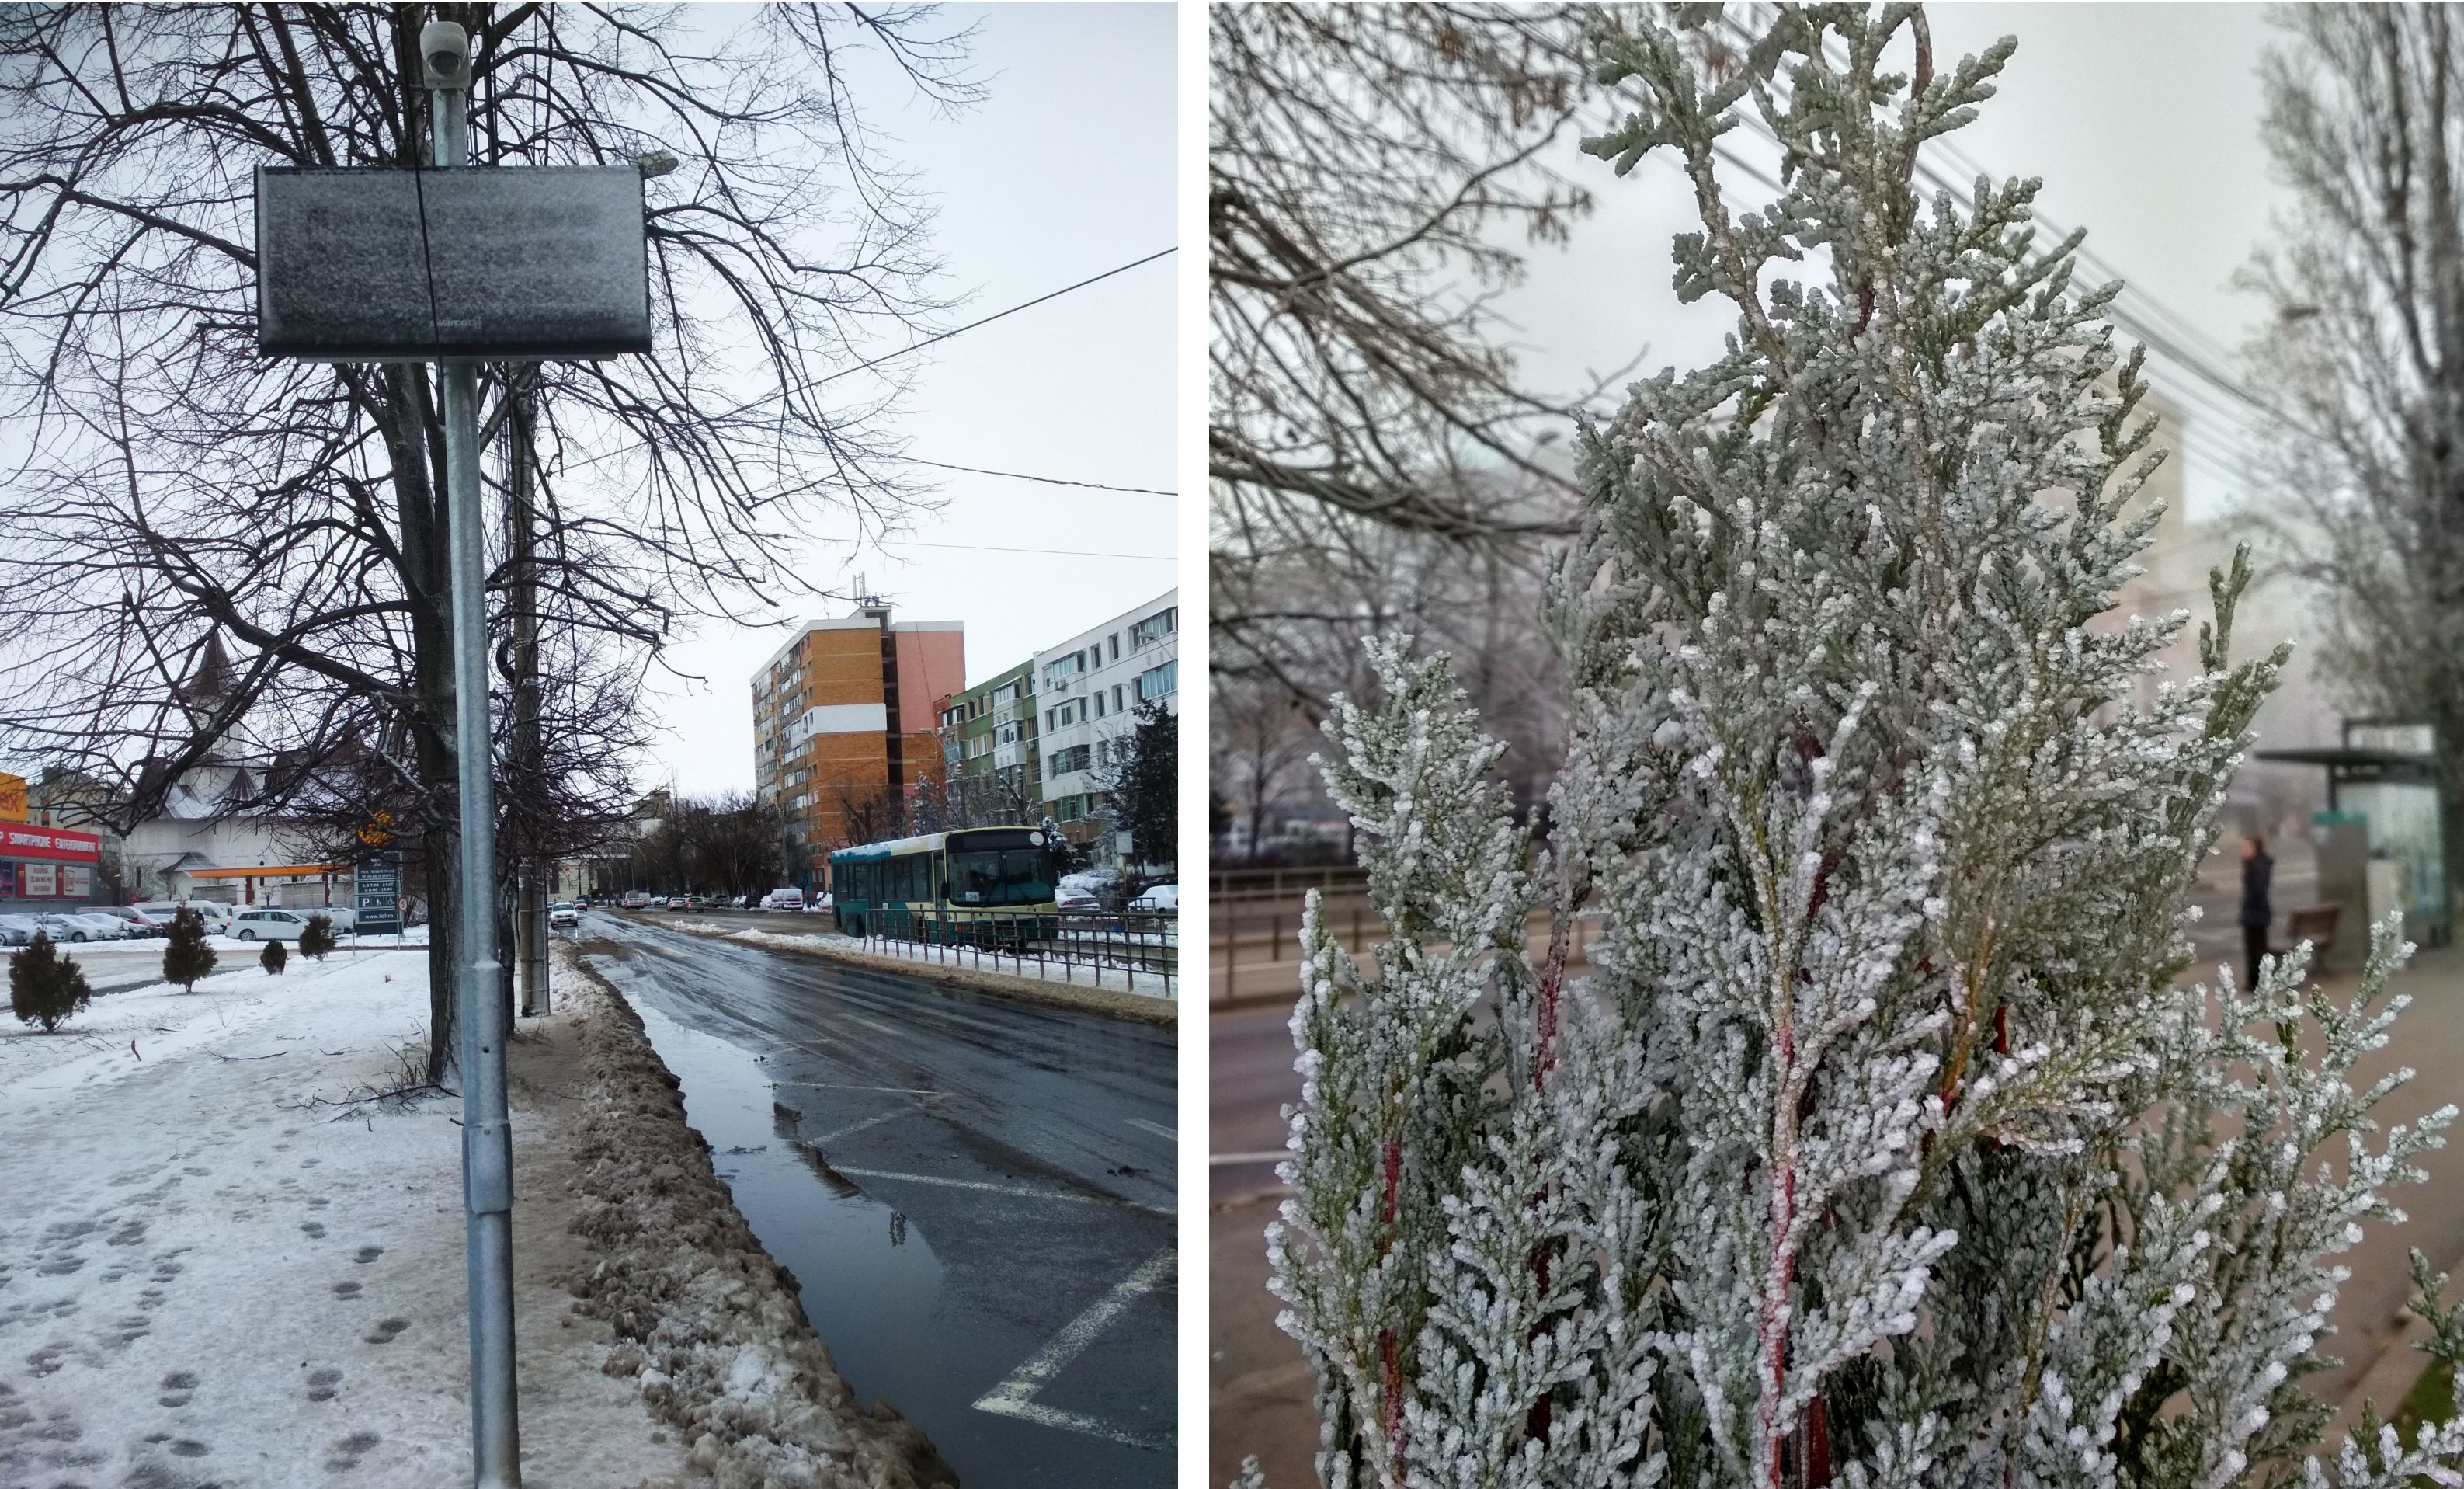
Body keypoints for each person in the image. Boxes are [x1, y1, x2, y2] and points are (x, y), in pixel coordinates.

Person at [2241, 833, 2274, 990]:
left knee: (2255, 950)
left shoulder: (2256, 866)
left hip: (2255, 916)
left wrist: (2250, 908)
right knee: (2258, 948)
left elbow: (2257, 891)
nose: (2244, 850)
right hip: (2259, 914)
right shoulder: (2259, 864)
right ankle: (2259, 980)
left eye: (2247, 847)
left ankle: (2255, 982)